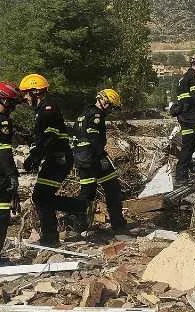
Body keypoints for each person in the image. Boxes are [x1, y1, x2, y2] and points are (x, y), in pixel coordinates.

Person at [18, 74, 84, 246]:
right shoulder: (43, 110)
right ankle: (78, 209)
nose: (24, 99)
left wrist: (34, 156)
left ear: (36, 92)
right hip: (56, 158)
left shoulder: (47, 109)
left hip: (58, 159)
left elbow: (49, 137)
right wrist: (34, 153)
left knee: (40, 197)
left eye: (26, 94)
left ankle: (51, 237)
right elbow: (43, 139)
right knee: (42, 197)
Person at [73, 88, 127, 233]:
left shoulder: (83, 113)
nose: (110, 110)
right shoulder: (96, 115)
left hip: (81, 158)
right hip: (93, 158)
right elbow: (94, 138)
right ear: (102, 100)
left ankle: (80, 227)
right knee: (113, 189)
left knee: (87, 192)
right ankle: (118, 224)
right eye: (110, 106)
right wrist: (101, 156)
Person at [172, 51, 195, 187]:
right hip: (191, 114)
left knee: (187, 146)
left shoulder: (184, 77)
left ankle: (181, 177)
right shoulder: (194, 77)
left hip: (183, 115)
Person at [0, 82, 22, 262]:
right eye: (11, 103)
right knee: (2, 213)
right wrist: (12, 175)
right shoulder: (3, 120)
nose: (13, 108)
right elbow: (4, 151)